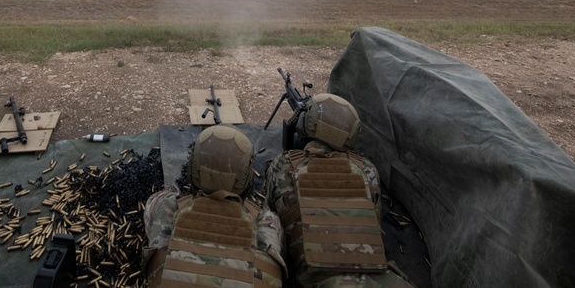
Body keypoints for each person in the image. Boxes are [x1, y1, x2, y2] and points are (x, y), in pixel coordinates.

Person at [265, 94, 414, 288]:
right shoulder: (366, 169)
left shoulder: (283, 165)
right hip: (377, 277)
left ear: (306, 122)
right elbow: (374, 216)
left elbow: (271, 212)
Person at [142, 124, 286, 287]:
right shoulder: (266, 222)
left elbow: (154, 204)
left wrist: (173, 193)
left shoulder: (166, 207)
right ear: (246, 179)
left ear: (193, 170)